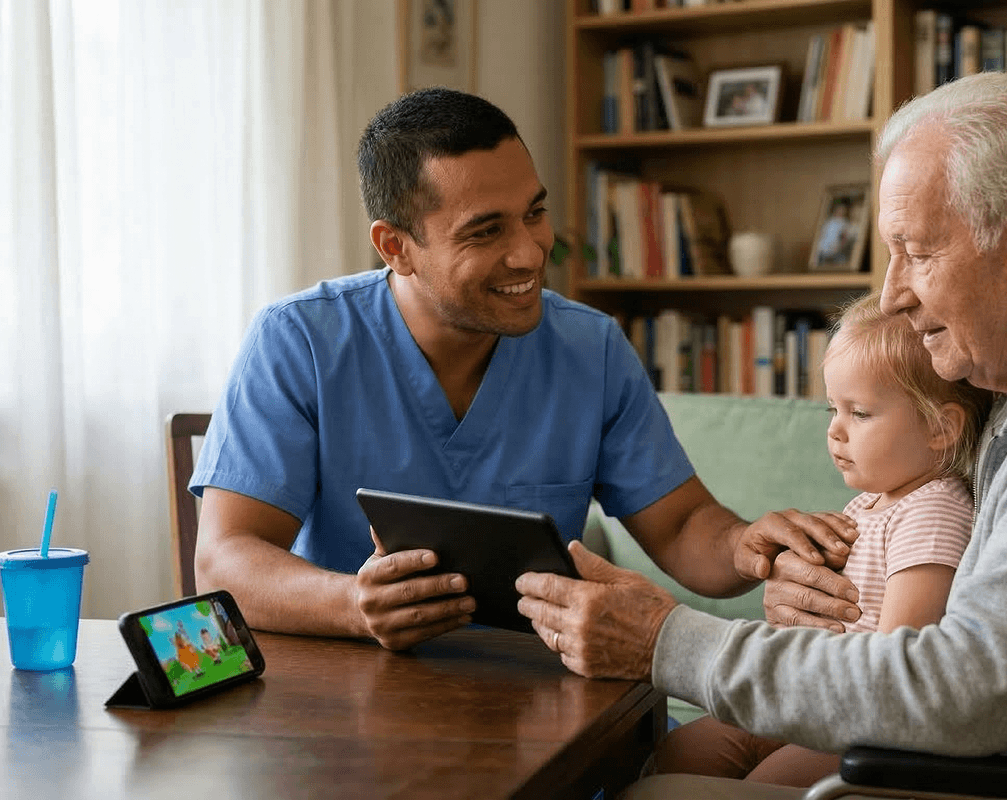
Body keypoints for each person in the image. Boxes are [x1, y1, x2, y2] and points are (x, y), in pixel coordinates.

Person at [516, 72, 1007, 797]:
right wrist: (818, 604)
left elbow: (962, 690)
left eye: (916, 253)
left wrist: (667, 641)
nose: (889, 296)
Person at [189, 87, 855, 652]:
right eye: (485, 232)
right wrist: (352, 604)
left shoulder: (589, 348)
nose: (531, 253)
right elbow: (225, 561)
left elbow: (681, 527)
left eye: (534, 214)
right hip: (345, 702)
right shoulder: (297, 341)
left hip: (538, 694)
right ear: (396, 247)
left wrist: (747, 545)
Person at [649, 292, 994, 787]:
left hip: (867, 725)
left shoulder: (933, 511)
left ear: (941, 428)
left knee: (762, 784)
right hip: (824, 700)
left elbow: (900, 661)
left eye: (860, 413)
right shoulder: (873, 503)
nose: (835, 431)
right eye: (833, 409)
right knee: (680, 752)